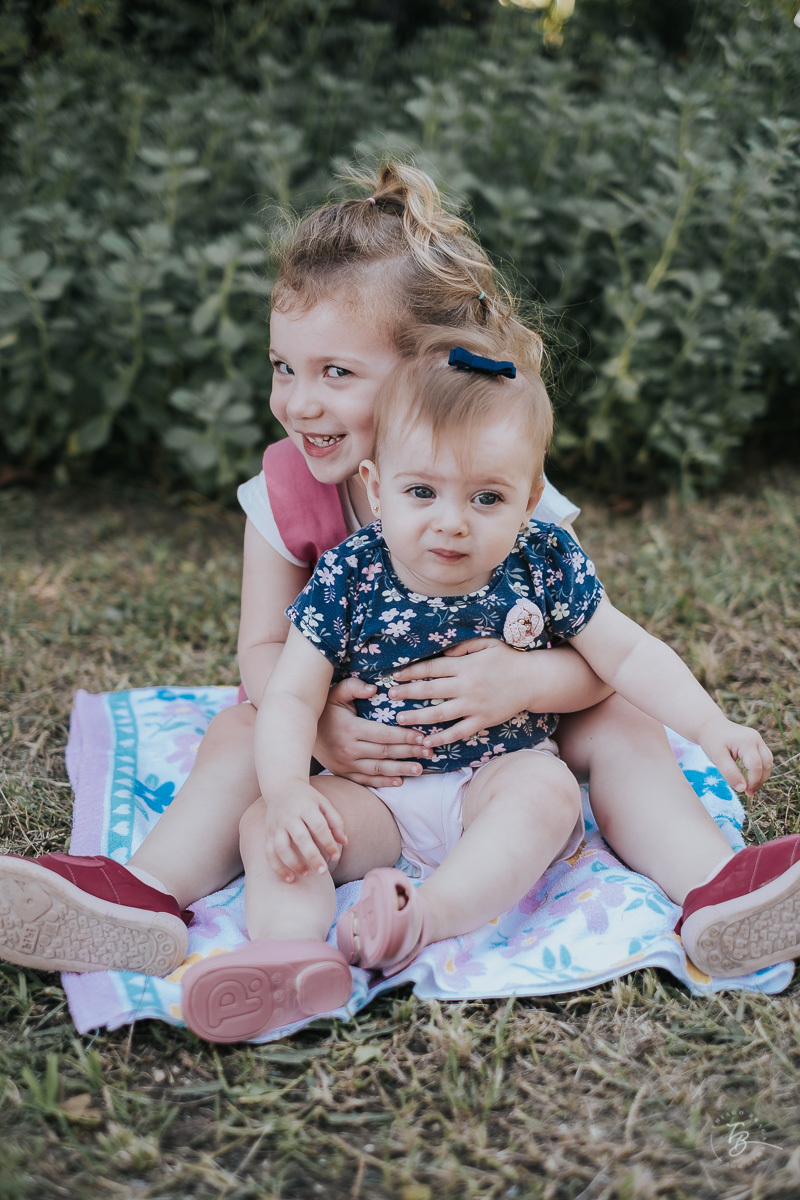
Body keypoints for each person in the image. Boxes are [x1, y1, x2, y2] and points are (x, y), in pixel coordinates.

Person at [0, 164, 797, 994]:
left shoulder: (501, 484)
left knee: (626, 721)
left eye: (335, 374)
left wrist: (521, 679)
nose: (299, 403)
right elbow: (264, 648)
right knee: (242, 737)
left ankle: (715, 886)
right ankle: (145, 896)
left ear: (430, 368)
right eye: (283, 368)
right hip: (358, 760)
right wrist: (316, 733)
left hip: (516, 741)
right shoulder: (287, 492)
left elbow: (605, 655)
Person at [179, 327, 786, 1043]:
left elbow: (628, 655)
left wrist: (711, 725)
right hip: (376, 795)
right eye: (422, 491)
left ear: (530, 498)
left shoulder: (545, 561)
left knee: (547, 792)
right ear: (378, 488)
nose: (451, 522)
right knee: (270, 828)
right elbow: (288, 694)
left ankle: (421, 919)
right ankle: (291, 956)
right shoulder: (348, 573)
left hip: (492, 781)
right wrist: (285, 792)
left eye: (487, 498)